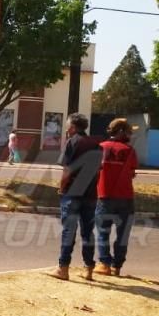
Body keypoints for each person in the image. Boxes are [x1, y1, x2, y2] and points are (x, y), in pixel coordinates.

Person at [48, 113, 102, 281]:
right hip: (91, 192)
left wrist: (62, 188)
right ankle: (88, 269)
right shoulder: (97, 144)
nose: (66, 128)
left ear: (72, 127)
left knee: (69, 231)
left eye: (67, 125)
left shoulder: (72, 142)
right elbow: (98, 169)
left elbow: (67, 169)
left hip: (72, 192)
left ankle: (63, 268)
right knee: (88, 232)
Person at [93, 119, 139, 277]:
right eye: (128, 132)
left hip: (104, 197)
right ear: (120, 132)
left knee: (102, 232)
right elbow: (132, 173)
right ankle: (116, 267)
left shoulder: (100, 148)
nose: (130, 135)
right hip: (126, 198)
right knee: (123, 233)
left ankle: (104, 264)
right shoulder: (129, 150)